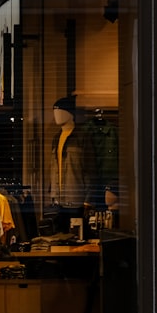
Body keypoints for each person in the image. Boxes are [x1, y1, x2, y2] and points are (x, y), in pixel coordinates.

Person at [49, 95, 92, 232]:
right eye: (55, 111)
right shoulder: (56, 138)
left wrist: (88, 200)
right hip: (58, 201)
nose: (56, 115)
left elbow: (90, 170)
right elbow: (54, 168)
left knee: (77, 237)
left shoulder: (82, 137)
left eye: (60, 111)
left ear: (69, 114)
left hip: (76, 201)